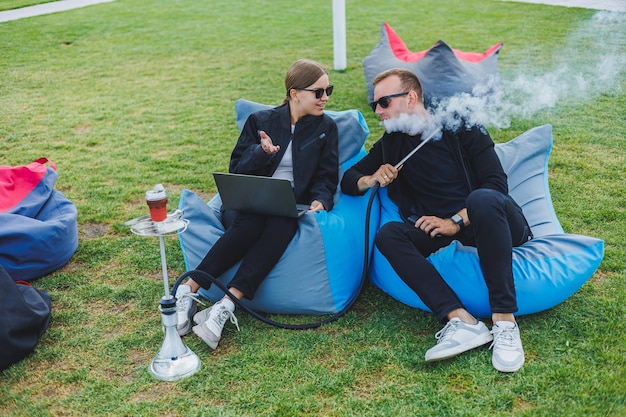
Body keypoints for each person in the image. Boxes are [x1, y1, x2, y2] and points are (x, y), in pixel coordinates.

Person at [340, 68, 532, 372]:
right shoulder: (393, 143)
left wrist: (454, 222)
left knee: (481, 198)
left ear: (411, 98)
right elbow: (348, 180)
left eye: (384, 102)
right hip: (441, 228)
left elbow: (496, 187)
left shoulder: (462, 125)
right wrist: (371, 177)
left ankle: (505, 322)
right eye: (373, 104)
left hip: (492, 220)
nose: (377, 111)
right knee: (389, 235)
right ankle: (462, 320)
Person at [175, 59, 339, 349]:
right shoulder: (261, 121)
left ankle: (225, 306)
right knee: (250, 223)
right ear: (294, 93)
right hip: (248, 201)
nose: (325, 98)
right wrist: (262, 153)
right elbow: (236, 168)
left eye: (329, 90)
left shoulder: (326, 128)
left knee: (282, 223)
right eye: (319, 92)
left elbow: (327, 177)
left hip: (287, 206)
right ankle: (189, 290)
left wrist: (319, 201)